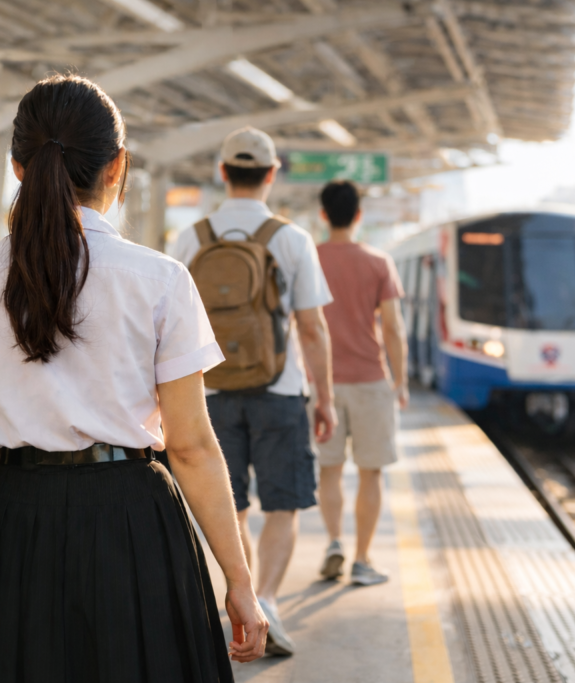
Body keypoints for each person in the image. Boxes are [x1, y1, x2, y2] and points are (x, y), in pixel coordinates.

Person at [0, 75, 267, 682]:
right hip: (132, 522)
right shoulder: (159, 279)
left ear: (18, 167)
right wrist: (239, 582)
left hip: (13, 526)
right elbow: (189, 445)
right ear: (117, 166)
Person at [172, 126, 337, 656]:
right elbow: (311, 328)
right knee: (283, 505)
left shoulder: (189, 238)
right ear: (271, 175)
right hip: (280, 388)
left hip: (210, 391)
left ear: (222, 173)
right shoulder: (291, 239)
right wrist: (325, 398)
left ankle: (244, 600)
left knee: (231, 504)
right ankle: (265, 599)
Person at [313, 180, 408, 586]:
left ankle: (334, 541)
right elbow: (392, 327)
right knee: (371, 472)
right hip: (371, 380)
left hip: (324, 384)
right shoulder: (378, 262)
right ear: (358, 216)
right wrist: (400, 383)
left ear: (323, 215)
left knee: (330, 470)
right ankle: (363, 559)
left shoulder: (310, 259)